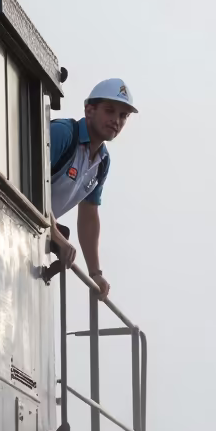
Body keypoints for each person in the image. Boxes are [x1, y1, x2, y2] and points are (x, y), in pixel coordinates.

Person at [49, 78, 137, 299]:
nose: (116, 120)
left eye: (123, 116)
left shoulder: (102, 161)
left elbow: (89, 215)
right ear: (89, 110)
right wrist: (54, 233)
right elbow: (29, 181)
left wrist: (95, 273)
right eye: (110, 111)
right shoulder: (63, 134)